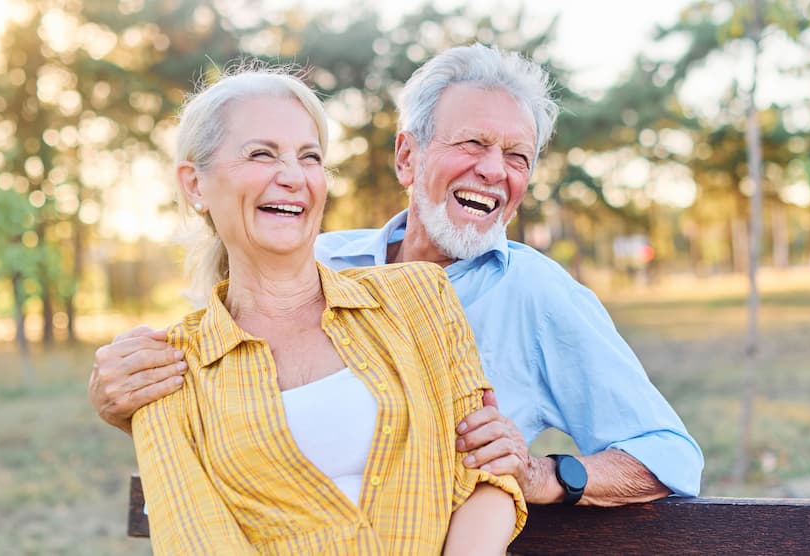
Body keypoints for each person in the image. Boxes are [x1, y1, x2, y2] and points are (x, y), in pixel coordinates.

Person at [91, 44, 704, 507]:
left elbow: (670, 455)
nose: (495, 171)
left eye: (517, 157)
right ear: (408, 156)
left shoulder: (537, 295)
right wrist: (129, 400)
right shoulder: (317, 260)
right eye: (472, 144)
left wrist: (545, 475)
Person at [135, 65, 526, 554]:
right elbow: (196, 539)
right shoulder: (167, 372)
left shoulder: (419, 298)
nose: (293, 177)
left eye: (310, 157)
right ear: (195, 185)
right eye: (262, 153)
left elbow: (486, 477)